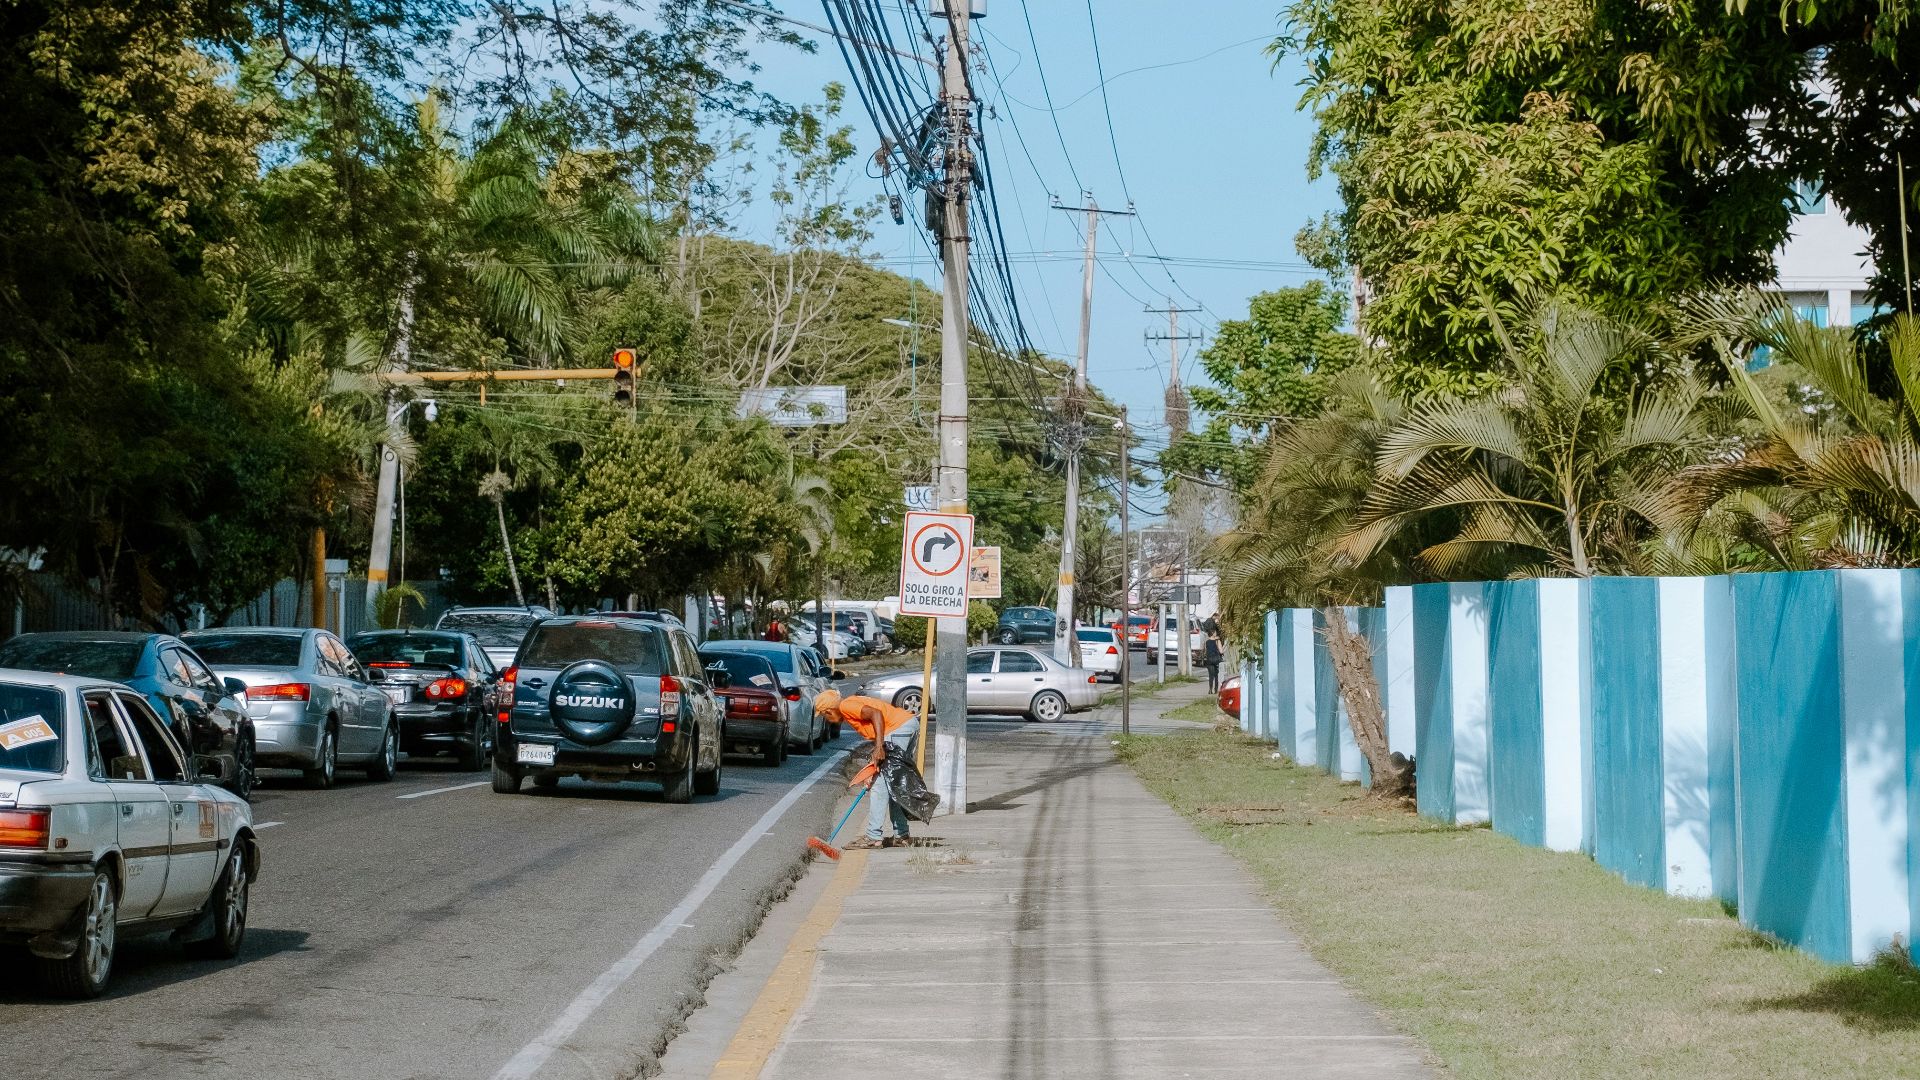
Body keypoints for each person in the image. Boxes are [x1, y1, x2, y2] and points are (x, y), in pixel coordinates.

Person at [814, 688, 919, 849]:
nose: (827, 720)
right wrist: (874, 760)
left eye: (824, 715)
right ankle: (901, 836)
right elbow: (876, 728)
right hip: (905, 726)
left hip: (898, 729)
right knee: (893, 784)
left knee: (880, 785)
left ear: (829, 711)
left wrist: (879, 747)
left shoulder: (846, 706)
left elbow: (876, 714)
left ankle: (873, 836)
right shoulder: (850, 705)